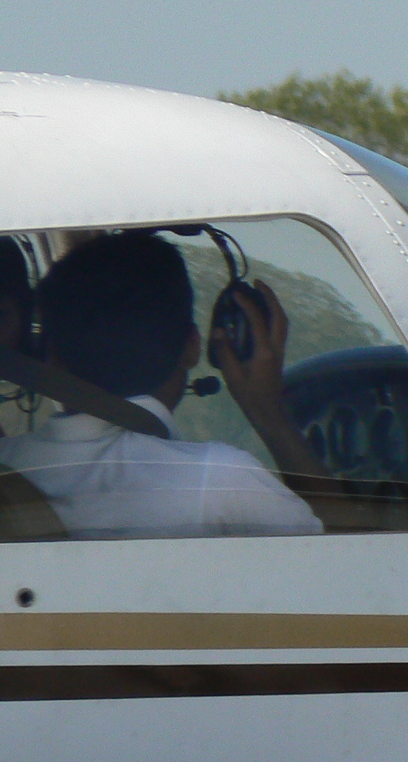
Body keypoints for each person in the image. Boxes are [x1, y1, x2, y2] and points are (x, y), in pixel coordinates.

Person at [0, 230, 327, 539]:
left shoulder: (7, 467)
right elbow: (349, 564)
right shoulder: (222, 483)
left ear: (50, 355)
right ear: (193, 346)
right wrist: (269, 414)